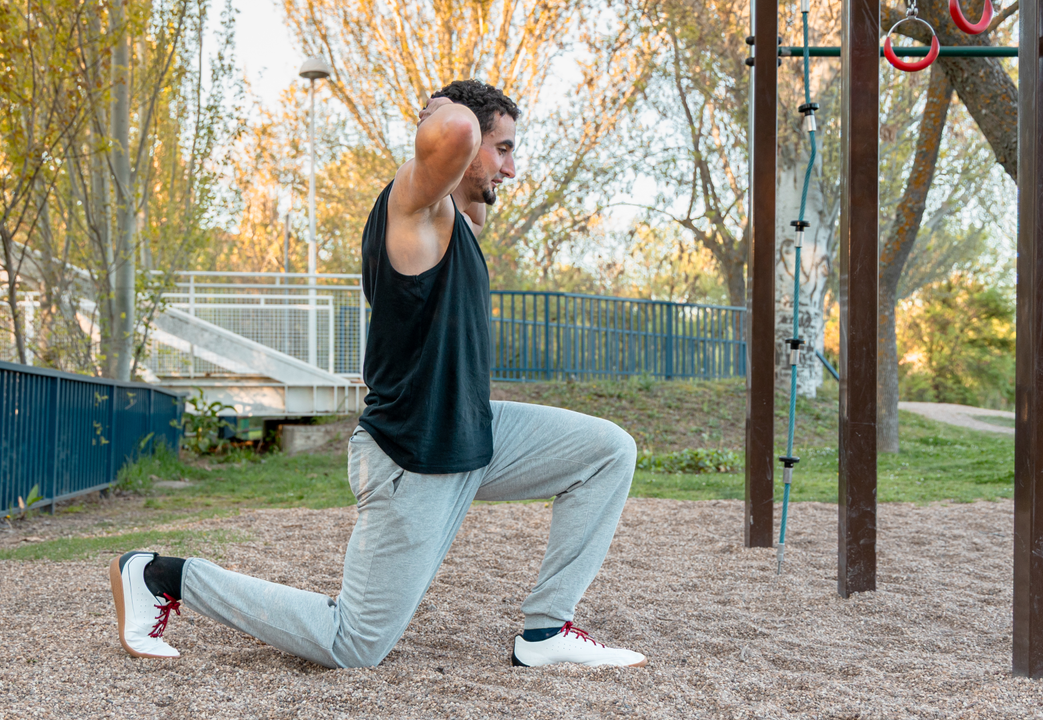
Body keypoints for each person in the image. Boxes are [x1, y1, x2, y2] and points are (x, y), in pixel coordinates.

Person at [110, 79, 645, 669]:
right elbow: (458, 132)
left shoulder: (461, 222)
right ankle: (159, 576)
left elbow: (471, 177)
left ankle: (546, 633)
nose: (511, 168)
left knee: (607, 451)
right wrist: (446, 111)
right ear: (463, 142)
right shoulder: (413, 211)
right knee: (355, 644)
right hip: (411, 454)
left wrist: (477, 161)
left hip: (473, 436)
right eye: (504, 148)